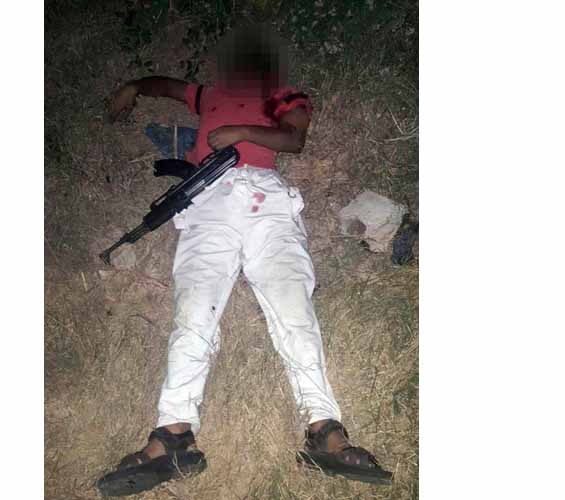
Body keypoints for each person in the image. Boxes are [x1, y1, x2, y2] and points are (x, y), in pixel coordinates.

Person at [96, 26, 392, 497]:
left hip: (266, 200)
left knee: (293, 310)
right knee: (193, 312)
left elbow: (294, 138)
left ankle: (324, 430)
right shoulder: (208, 94)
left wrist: (242, 133)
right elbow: (167, 86)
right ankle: (173, 435)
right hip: (207, 201)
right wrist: (133, 86)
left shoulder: (281, 94)